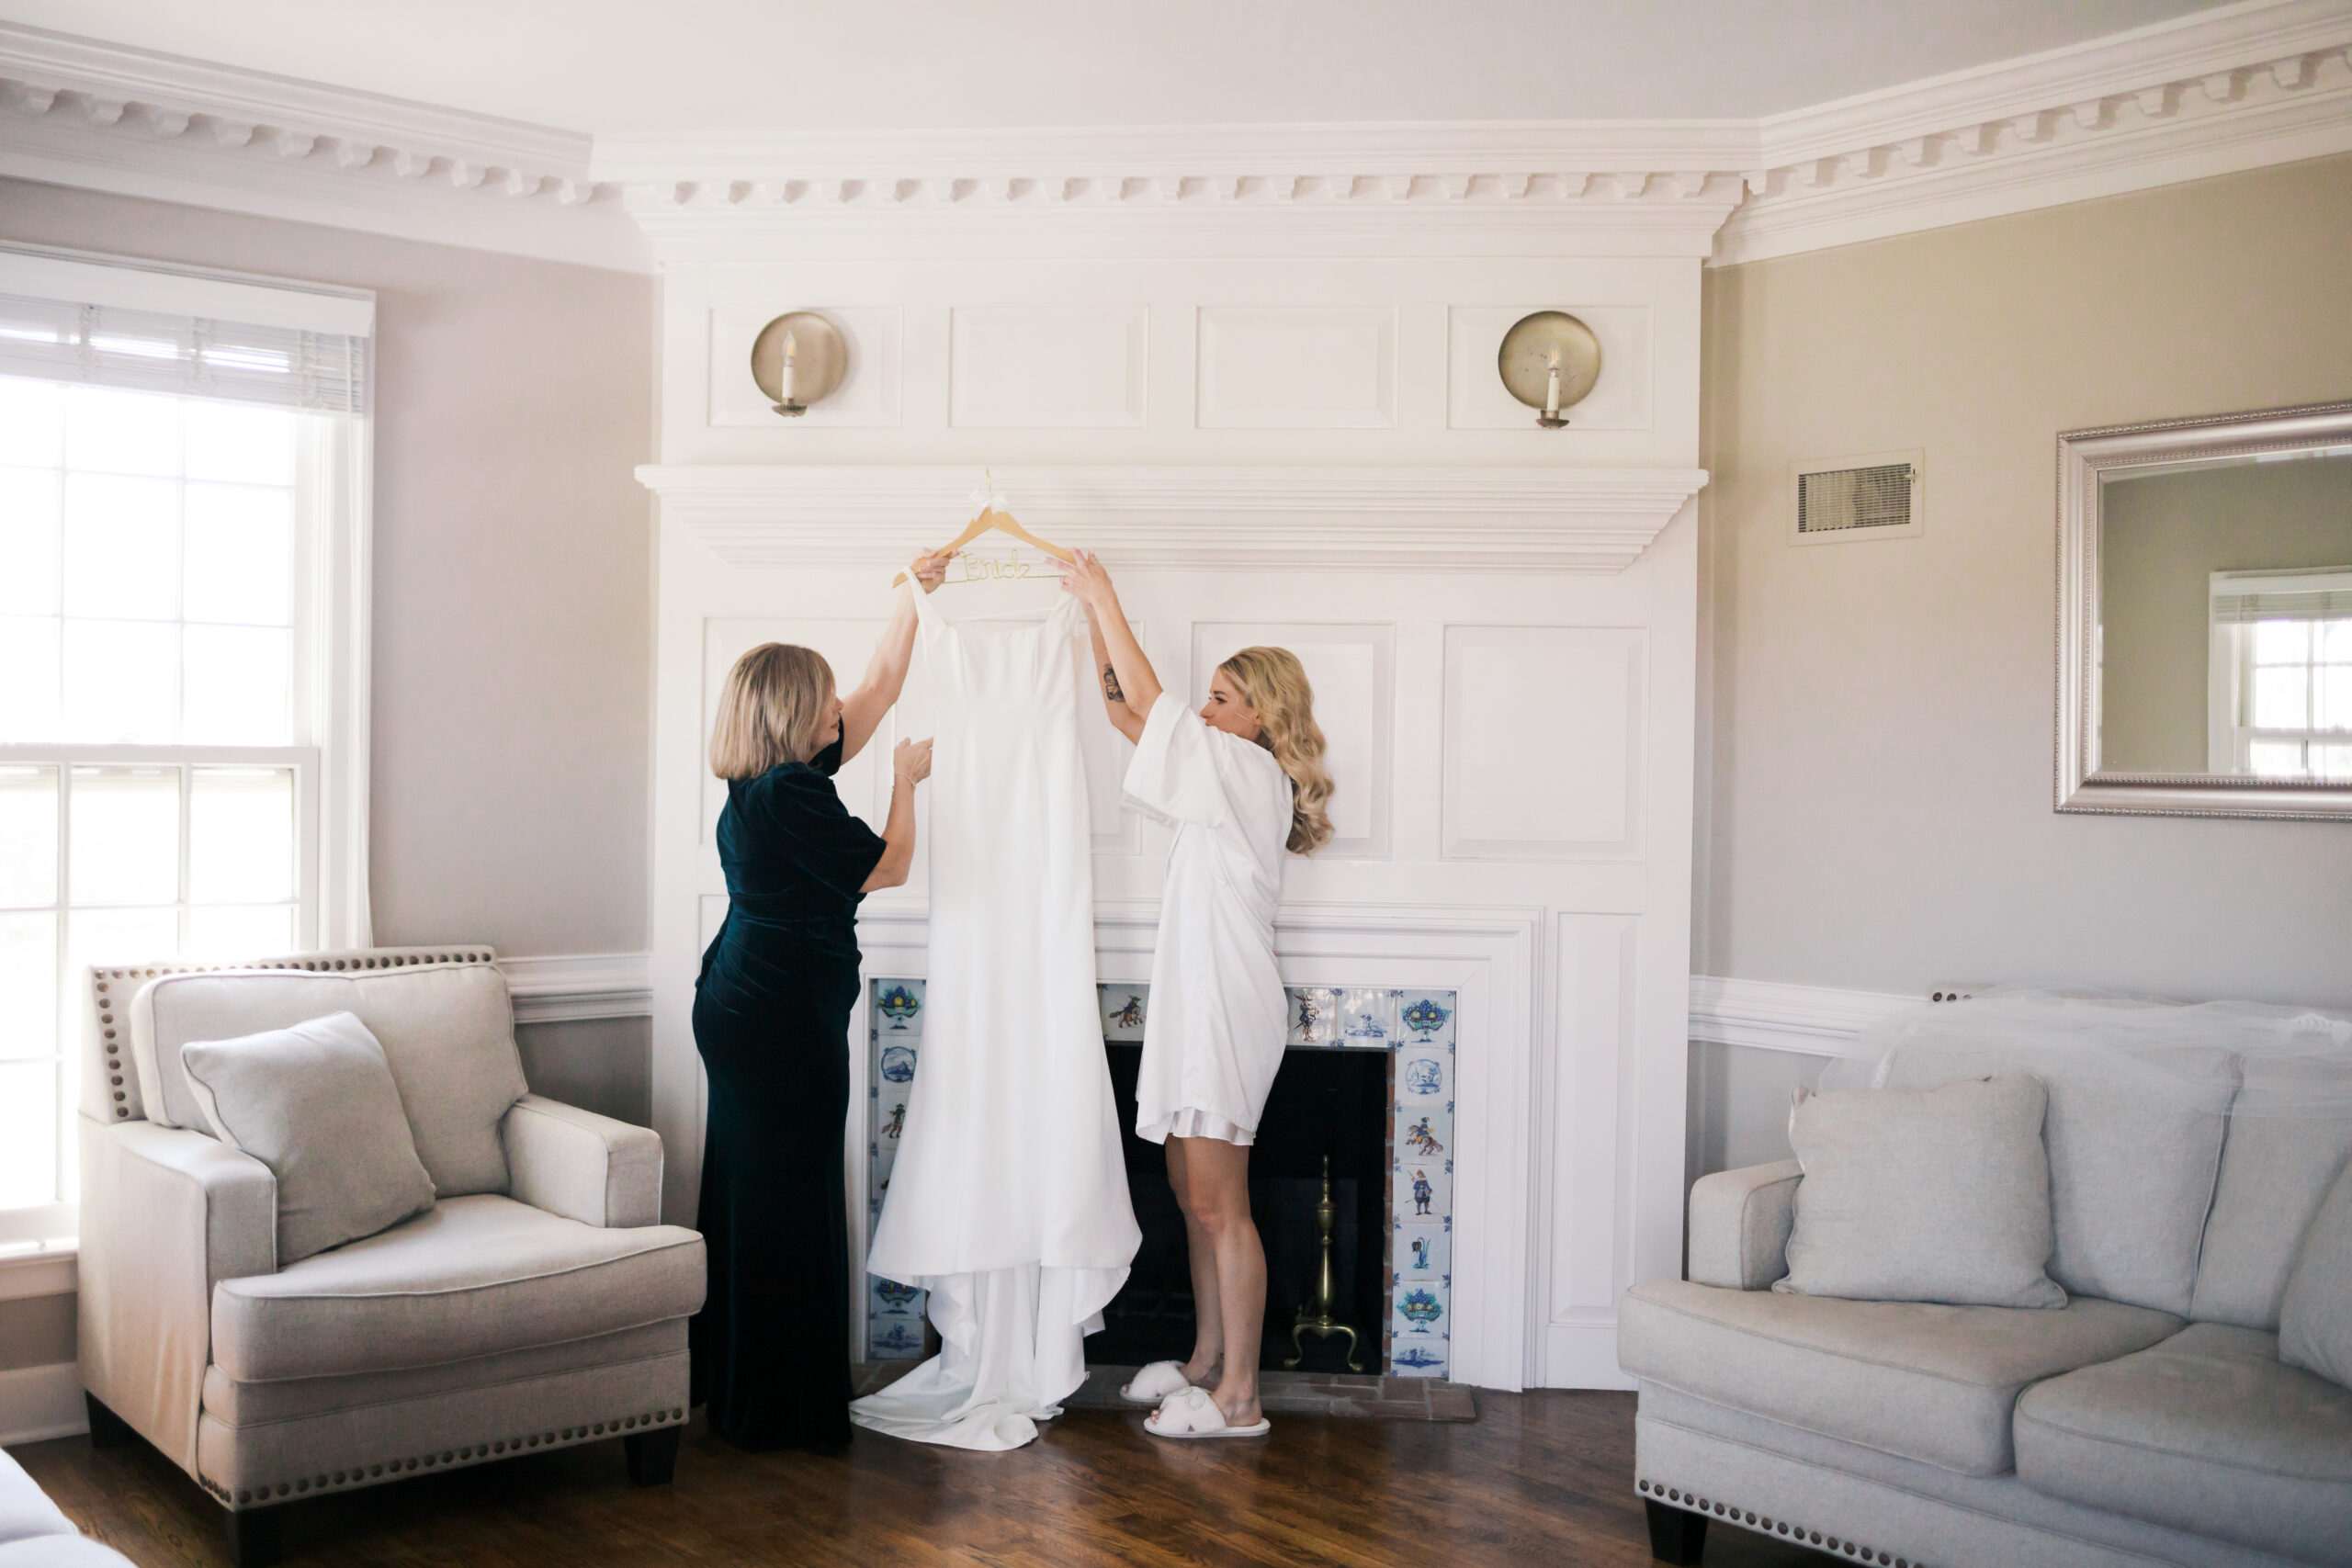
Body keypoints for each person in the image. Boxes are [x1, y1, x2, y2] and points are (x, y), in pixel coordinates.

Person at [1059, 547, 1335, 1440]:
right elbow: (1121, 708)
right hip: (1194, 1004)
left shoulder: (1246, 773)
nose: (1203, 711)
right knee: (1189, 1192)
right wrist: (1086, 629)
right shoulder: (1212, 774)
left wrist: (1105, 594)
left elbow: (1151, 706)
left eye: (1220, 698)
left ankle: (1240, 1400)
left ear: (1260, 717)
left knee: (1224, 1203)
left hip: (1226, 1010)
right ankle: (1205, 1363)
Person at [689, 548, 950, 1450]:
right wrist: (905, 785)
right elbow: (889, 864)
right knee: (785, 1198)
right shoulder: (791, 797)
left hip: (743, 1005)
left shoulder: (762, 785)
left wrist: (918, 595)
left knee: (756, 1189)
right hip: (775, 1021)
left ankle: (741, 1390)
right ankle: (776, 1406)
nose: (842, 707)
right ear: (798, 713)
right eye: (826, 698)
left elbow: (877, 687)